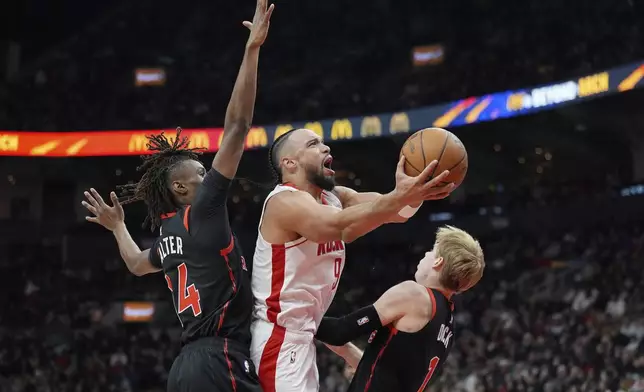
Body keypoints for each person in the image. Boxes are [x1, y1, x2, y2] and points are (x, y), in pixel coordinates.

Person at [80, 2, 273, 391]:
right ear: (180, 189)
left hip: (184, 370)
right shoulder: (202, 212)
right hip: (219, 360)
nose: (209, 176)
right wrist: (251, 50)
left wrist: (118, 226)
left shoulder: (168, 238)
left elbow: (136, 263)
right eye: (200, 173)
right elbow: (237, 126)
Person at [250, 127, 456, 392]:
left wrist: (416, 191)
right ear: (289, 163)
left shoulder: (336, 198)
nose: (326, 148)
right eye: (313, 144)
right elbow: (337, 227)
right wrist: (399, 196)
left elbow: (395, 211)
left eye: (323, 143)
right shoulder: (284, 202)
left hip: (303, 337)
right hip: (277, 338)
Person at [316, 226, 485, 392]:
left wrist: (294, 311)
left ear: (438, 261)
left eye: (432, 251)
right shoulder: (448, 324)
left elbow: (338, 332)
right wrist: (349, 352)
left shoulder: (415, 294)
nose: (425, 254)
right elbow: (391, 374)